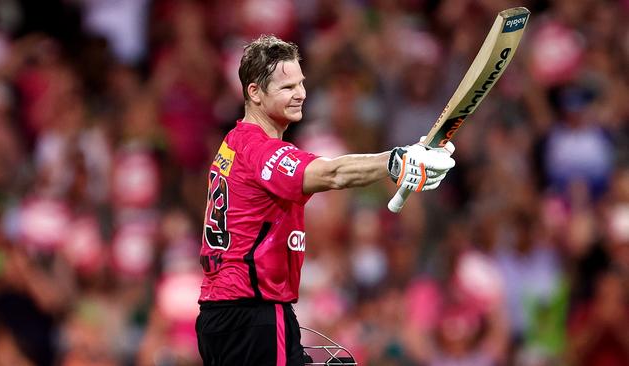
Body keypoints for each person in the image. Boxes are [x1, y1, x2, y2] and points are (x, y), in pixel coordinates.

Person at [195, 35, 456, 366]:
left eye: (301, 84)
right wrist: (396, 162)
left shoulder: (233, 143)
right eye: (287, 87)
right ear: (255, 93)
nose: (301, 94)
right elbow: (332, 174)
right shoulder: (260, 151)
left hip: (220, 316)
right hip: (253, 311)